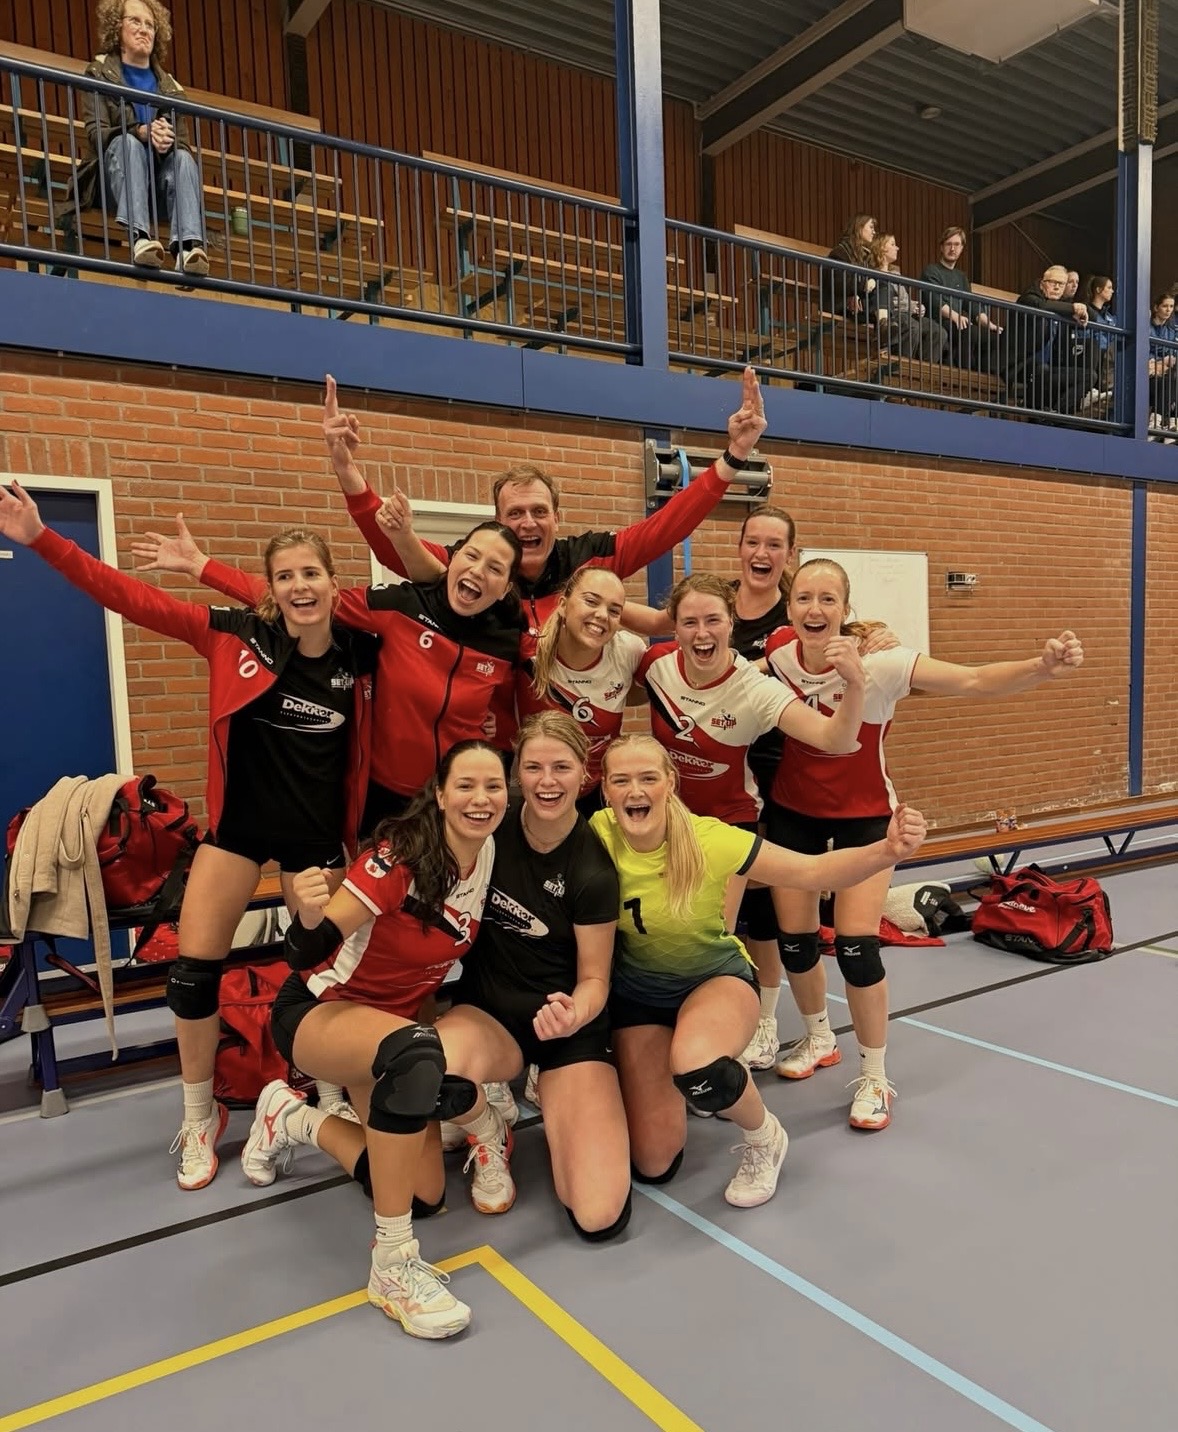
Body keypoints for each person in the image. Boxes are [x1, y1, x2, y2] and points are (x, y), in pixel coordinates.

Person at [0, 480, 379, 1188]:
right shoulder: (233, 636)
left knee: (324, 971)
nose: (300, 586)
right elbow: (131, 598)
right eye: (285, 576)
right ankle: (200, 1115)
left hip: (317, 842)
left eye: (312, 573)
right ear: (270, 590)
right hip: (238, 833)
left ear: (335, 583)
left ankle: (325, 1092)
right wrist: (42, 540)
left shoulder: (360, 655)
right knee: (192, 973)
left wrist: (206, 564)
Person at [764, 558, 1084, 1130]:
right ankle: (818, 1038)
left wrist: (1042, 667)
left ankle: (874, 1075)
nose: (815, 609)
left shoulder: (881, 664)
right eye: (804, 598)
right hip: (793, 816)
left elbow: (973, 680)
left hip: (865, 820)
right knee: (796, 940)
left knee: (857, 948)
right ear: (789, 609)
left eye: (828, 599)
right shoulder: (776, 655)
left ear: (845, 609)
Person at [238, 741, 508, 1340]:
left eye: (493, 786)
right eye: (466, 785)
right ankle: (392, 1265)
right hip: (321, 1012)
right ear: (440, 795)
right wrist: (307, 916)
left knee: (425, 1194)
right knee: (417, 1052)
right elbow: (309, 949)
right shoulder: (399, 859)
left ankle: (291, 1118)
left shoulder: (490, 852)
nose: (481, 798)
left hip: (392, 1031)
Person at [591, 736, 927, 1207]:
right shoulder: (597, 834)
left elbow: (813, 871)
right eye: (621, 780)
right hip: (641, 997)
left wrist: (887, 851)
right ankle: (678, 1075)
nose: (635, 791)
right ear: (605, 789)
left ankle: (764, 1136)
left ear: (670, 782)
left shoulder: (712, 839)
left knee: (700, 1068)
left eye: (648, 778)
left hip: (714, 982)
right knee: (653, 1162)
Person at [135, 512, 525, 835]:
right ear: (450, 561)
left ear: (506, 586)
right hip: (379, 797)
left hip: (453, 800)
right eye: (471, 556)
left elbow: (511, 714)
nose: (478, 571)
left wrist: (488, 731)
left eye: (495, 568)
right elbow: (305, 599)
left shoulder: (507, 643)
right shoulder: (401, 605)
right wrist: (201, 566)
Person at [323, 367, 769, 639]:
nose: (528, 523)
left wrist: (735, 455)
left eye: (539, 511)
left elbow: (667, 527)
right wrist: (346, 469)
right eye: (515, 514)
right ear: (498, 521)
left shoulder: (590, 559)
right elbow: (396, 551)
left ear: (557, 516)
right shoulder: (473, 567)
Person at [433, 712, 631, 1238]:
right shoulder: (487, 830)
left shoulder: (593, 868)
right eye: (534, 767)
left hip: (567, 1032)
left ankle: (552, 1093)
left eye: (561, 767)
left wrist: (574, 1014)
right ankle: (487, 1127)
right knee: (421, 1071)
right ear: (517, 772)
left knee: (597, 1213)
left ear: (585, 772)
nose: (547, 781)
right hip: (489, 1016)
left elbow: (595, 980)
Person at [77, 0, 208, 275]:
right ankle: (140, 240)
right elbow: (96, 134)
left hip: (155, 189)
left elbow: (183, 143)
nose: (144, 29)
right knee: (128, 143)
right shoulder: (99, 74)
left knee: (183, 158)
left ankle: (187, 249)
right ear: (117, 27)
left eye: (150, 24)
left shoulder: (170, 88)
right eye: (135, 21)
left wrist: (166, 141)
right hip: (112, 185)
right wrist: (141, 132)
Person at [516, 566, 647, 814]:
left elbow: (650, 690)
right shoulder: (527, 650)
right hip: (538, 789)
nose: (602, 615)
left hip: (597, 792)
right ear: (563, 605)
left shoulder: (628, 651)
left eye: (614, 610)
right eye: (591, 601)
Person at [919, 226, 1002, 370]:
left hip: (957, 323)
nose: (953, 249)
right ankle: (965, 374)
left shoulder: (961, 276)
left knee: (995, 337)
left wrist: (989, 324)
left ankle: (987, 376)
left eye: (957, 244)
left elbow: (972, 305)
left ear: (962, 248)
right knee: (969, 332)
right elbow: (934, 300)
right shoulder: (931, 270)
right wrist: (955, 316)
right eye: (949, 244)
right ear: (941, 247)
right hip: (938, 322)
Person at [869, 233, 946, 363]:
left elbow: (903, 299)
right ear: (881, 248)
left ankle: (924, 370)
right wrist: (910, 306)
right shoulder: (874, 273)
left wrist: (916, 305)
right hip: (893, 314)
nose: (897, 248)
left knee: (938, 332)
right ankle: (900, 367)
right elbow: (889, 300)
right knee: (913, 327)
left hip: (907, 313)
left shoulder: (895, 273)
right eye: (893, 244)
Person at [824, 214, 877, 319]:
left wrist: (871, 283)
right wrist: (863, 286)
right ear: (859, 228)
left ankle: (884, 317)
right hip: (841, 306)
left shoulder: (866, 256)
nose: (874, 232)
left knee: (883, 286)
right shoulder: (840, 253)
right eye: (871, 227)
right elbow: (839, 283)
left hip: (861, 308)